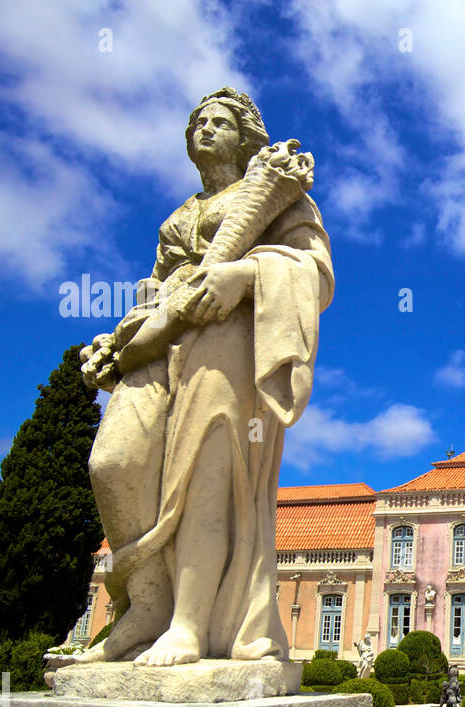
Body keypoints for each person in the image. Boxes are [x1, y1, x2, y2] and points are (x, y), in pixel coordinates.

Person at [74, 88, 333, 667]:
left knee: (205, 483)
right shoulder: (180, 218)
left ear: (247, 138)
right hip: (162, 347)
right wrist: (125, 336)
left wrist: (244, 275)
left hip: (231, 345)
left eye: (219, 121)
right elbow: (154, 289)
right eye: (198, 122)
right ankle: (145, 604)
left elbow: (314, 276)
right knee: (113, 463)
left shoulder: (279, 196)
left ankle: (188, 625)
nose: (205, 129)